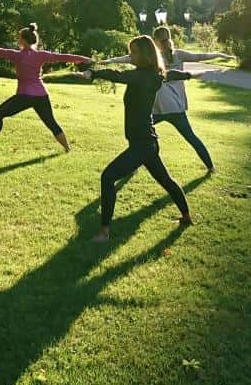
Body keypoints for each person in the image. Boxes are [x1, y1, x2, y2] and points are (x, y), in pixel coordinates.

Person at [79, 36, 204, 242]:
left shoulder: (142, 77)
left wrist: (93, 72)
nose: (131, 56)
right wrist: (189, 75)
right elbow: (172, 74)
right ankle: (186, 216)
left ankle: (104, 231)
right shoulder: (154, 75)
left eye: (134, 52)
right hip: (147, 142)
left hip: (142, 144)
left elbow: (117, 75)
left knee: (108, 177)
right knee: (166, 181)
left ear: (145, 54)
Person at [101, 25, 232, 173]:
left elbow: (127, 58)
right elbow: (201, 56)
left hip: (158, 107)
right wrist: (221, 54)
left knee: (138, 133)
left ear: (155, 40)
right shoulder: (179, 54)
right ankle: (211, 167)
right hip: (176, 107)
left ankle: (133, 166)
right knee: (191, 137)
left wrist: (107, 61)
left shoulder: (152, 57)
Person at [0, 23, 92, 152]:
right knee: (50, 122)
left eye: (19, 37)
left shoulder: (17, 55)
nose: (18, 39)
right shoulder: (41, 55)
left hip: (25, 96)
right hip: (41, 95)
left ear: (23, 40)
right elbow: (63, 57)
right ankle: (67, 148)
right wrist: (84, 59)